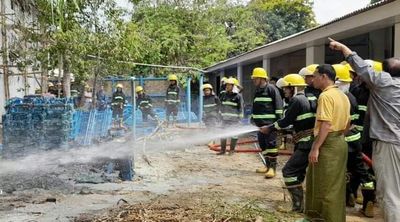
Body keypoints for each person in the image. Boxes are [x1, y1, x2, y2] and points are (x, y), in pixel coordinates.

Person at [329, 37, 400, 222]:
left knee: (390, 193)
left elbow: (363, 68)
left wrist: (344, 48)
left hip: (389, 143)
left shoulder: (384, 83)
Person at [260, 74, 316, 212]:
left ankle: (297, 207)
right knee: (299, 173)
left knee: (289, 171)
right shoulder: (307, 98)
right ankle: (301, 205)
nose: (284, 91)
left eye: (286, 88)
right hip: (307, 142)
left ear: (293, 88)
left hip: (305, 144)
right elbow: (300, 121)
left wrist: (270, 128)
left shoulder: (297, 100)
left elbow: (286, 121)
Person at [305, 64, 350, 222]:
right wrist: (338, 136)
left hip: (328, 144)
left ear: (324, 76)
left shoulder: (325, 96)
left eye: (315, 76)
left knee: (323, 186)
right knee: (336, 187)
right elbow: (348, 124)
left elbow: (326, 124)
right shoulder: (343, 95)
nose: (313, 80)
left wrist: (316, 148)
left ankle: (321, 218)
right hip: (340, 142)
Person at [333, 64, 375, 218]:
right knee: (360, 171)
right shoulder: (352, 97)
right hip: (355, 140)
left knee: (344, 170)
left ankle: (348, 196)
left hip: (343, 140)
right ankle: (368, 201)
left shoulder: (339, 98)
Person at [251, 67, 283, 178]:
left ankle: (272, 169)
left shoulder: (271, 89)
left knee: (271, 146)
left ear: (262, 78)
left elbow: (279, 107)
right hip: (259, 125)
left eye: (255, 78)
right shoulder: (257, 90)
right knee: (263, 146)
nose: (254, 80)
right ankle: (266, 165)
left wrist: (278, 124)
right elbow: (255, 105)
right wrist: (252, 117)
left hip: (270, 125)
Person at [218, 78, 243, 155]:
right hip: (224, 119)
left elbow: (241, 108)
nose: (227, 86)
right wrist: (220, 115)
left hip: (234, 120)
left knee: (234, 135)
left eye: (229, 85)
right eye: (227, 85)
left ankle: (232, 150)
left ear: (233, 86)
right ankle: (223, 150)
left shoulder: (238, 96)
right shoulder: (223, 94)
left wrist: (239, 118)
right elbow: (220, 105)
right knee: (223, 134)